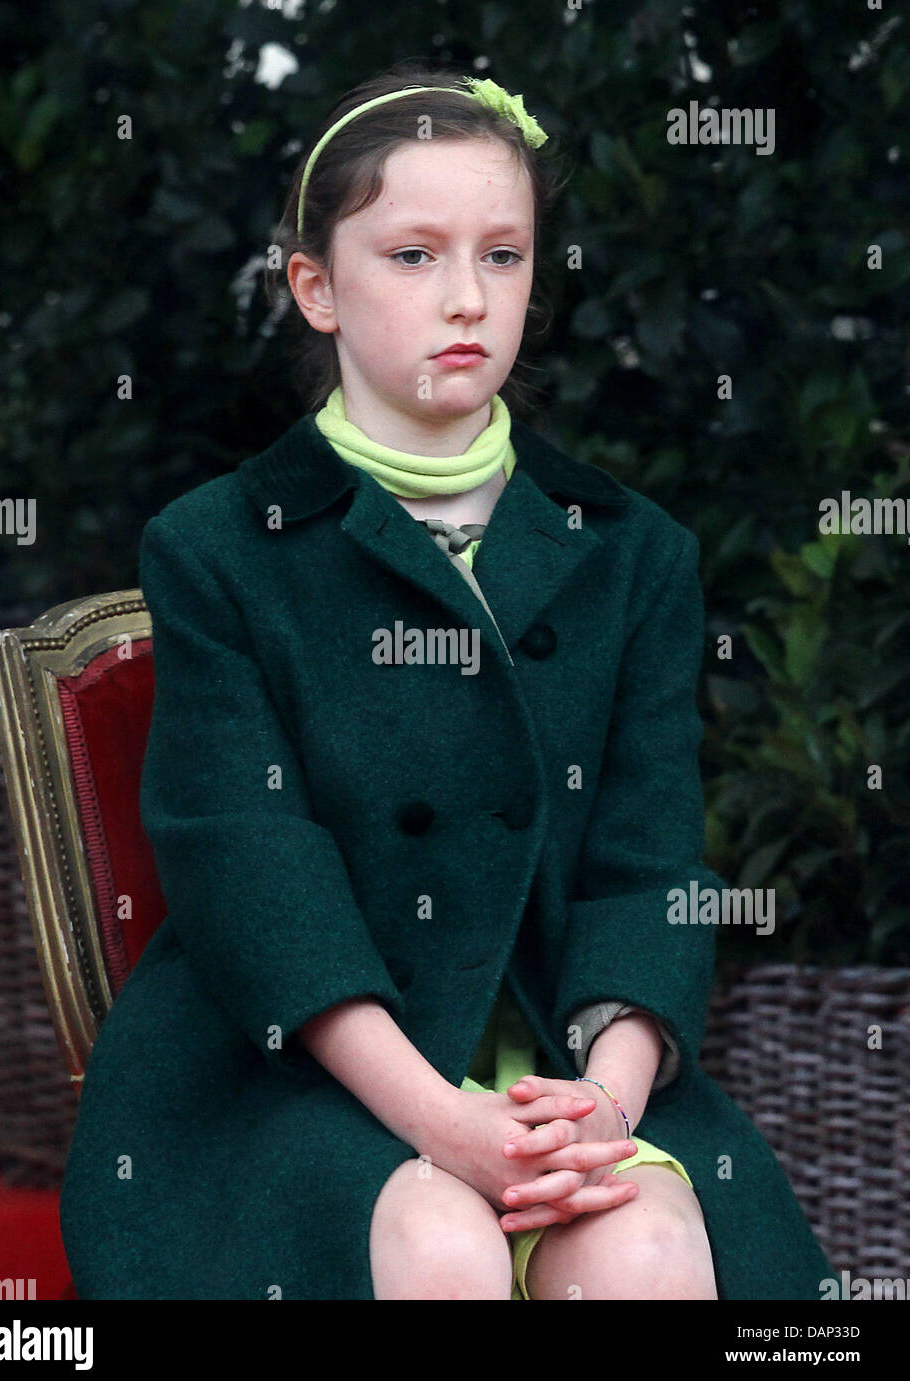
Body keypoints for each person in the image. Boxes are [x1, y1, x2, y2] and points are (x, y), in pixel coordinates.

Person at [59, 61, 839, 1301]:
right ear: (315, 287)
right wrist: (438, 1119)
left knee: (640, 1241)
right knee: (438, 1244)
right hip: (306, 1077)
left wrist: (600, 1101)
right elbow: (251, 869)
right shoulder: (220, 546)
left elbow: (647, 867)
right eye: (412, 256)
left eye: (504, 255)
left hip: (558, 1066)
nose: (466, 297)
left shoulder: (629, 551)